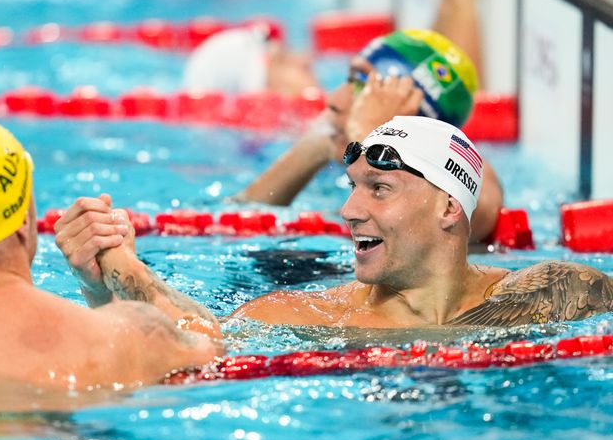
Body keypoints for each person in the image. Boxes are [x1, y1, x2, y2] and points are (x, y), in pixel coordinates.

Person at [56, 116, 613, 329]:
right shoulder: (307, 314)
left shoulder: (560, 286)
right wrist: (110, 275)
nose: (348, 210)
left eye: (380, 189)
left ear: (448, 208)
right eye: (352, 188)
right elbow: (193, 340)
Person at [0, 117, 222, 388]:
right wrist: (125, 268)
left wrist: (98, 293)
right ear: (23, 219)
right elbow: (210, 348)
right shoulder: (118, 340)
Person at [232, 27, 503, 243]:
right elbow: (232, 221)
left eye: (363, 87)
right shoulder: (337, 146)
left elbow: (478, 207)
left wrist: (375, 138)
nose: (335, 100)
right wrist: (314, 149)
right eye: (348, 80)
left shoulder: (467, 173)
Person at [183, 24, 317, 97]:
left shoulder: (262, 49)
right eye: (307, 71)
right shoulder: (255, 66)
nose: (313, 80)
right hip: (198, 101)